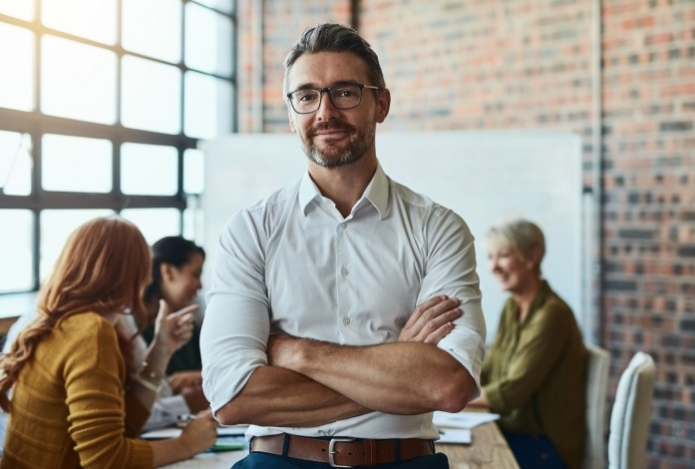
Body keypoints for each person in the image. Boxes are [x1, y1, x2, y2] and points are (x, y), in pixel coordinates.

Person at [201, 23, 486, 469]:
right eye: (307, 96)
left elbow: (447, 385)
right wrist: (398, 367)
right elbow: (232, 397)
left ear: (381, 103)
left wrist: (297, 352)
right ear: (292, 112)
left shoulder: (438, 228)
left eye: (346, 93)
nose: (325, 112)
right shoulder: (250, 230)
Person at [0, 217, 217, 468]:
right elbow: (105, 459)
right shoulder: (91, 331)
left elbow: (123, 427)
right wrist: (186, 445)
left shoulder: (68, 321)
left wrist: (161, 349)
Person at [468, 219, 587, 469]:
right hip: (515, 433)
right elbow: (488, 371)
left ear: (531, 256)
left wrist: (447, 398)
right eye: (490, 257)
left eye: (503, 255)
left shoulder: (553, 314)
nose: (493, 267)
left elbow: (510, 393)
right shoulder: (512, 307)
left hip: (545, 448)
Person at [141, 236, 208, 413]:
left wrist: (198, 377)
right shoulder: (135, 326)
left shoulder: (188, 321)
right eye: (195, 273)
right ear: (168, 272)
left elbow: (208, 364)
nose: (200, 285)